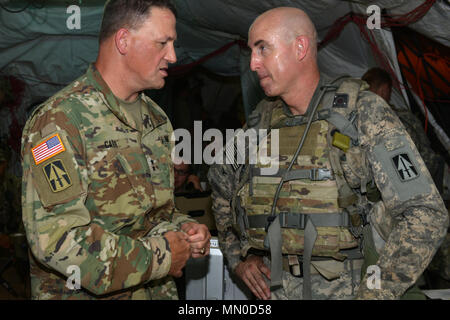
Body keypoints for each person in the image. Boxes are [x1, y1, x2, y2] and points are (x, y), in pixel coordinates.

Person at [208, 7, 448, 300]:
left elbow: (425, 213)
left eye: (263, 49)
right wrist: (238, 259)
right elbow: (219, 183)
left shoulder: (361, 113)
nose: (254, 63)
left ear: (300, 47)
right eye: (252, 52)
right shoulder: (259, 123)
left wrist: (375, 294)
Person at [21, 0, 211, 300]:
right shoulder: (59, 121)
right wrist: (161, 257)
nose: (173, 56)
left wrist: (183, 228)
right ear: (123, 40)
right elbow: (58, 239)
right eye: (163, 43)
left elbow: (155, 213)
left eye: (173, 44)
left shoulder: (157, 121)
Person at [361, 67, 445, 192]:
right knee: (437, 161)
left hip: (373, 186)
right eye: (389, 91)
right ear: (384, 89)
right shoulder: (401, 118)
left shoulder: (356, 118)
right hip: (410, 185)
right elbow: (425, 155)